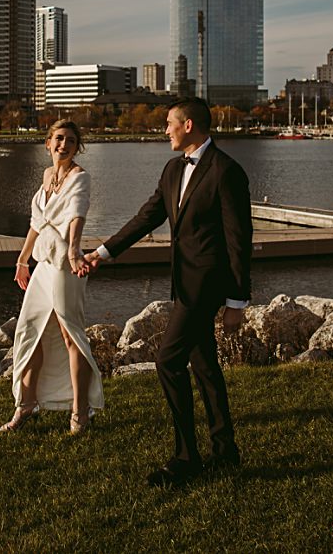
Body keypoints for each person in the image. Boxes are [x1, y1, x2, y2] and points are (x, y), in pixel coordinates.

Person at [82, 97, 251, 487]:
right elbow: (147, 217)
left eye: (169, 124)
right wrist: (103, 253)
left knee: (167, 362)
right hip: (182, 282)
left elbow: (239, 241)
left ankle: (186, 458)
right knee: (205, 365)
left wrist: (236, 302)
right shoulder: (173, 169)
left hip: (206, 287)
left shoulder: (227, 171)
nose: (165, 130)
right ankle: (225, 451)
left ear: (188, 125)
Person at [0, 119, 104, 435]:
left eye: (71, 140)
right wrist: (22, 260)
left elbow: (76, 215)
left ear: (77, 147)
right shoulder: (46, 176)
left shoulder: (80, 178)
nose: (64, 144)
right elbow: (36, 222)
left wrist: (73, 251)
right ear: (48, 143)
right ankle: (26, 405)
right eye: (59, 139)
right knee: (30, 332)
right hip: (43, 264)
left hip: (64, 266)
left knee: (71, 335)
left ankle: (80, 412)